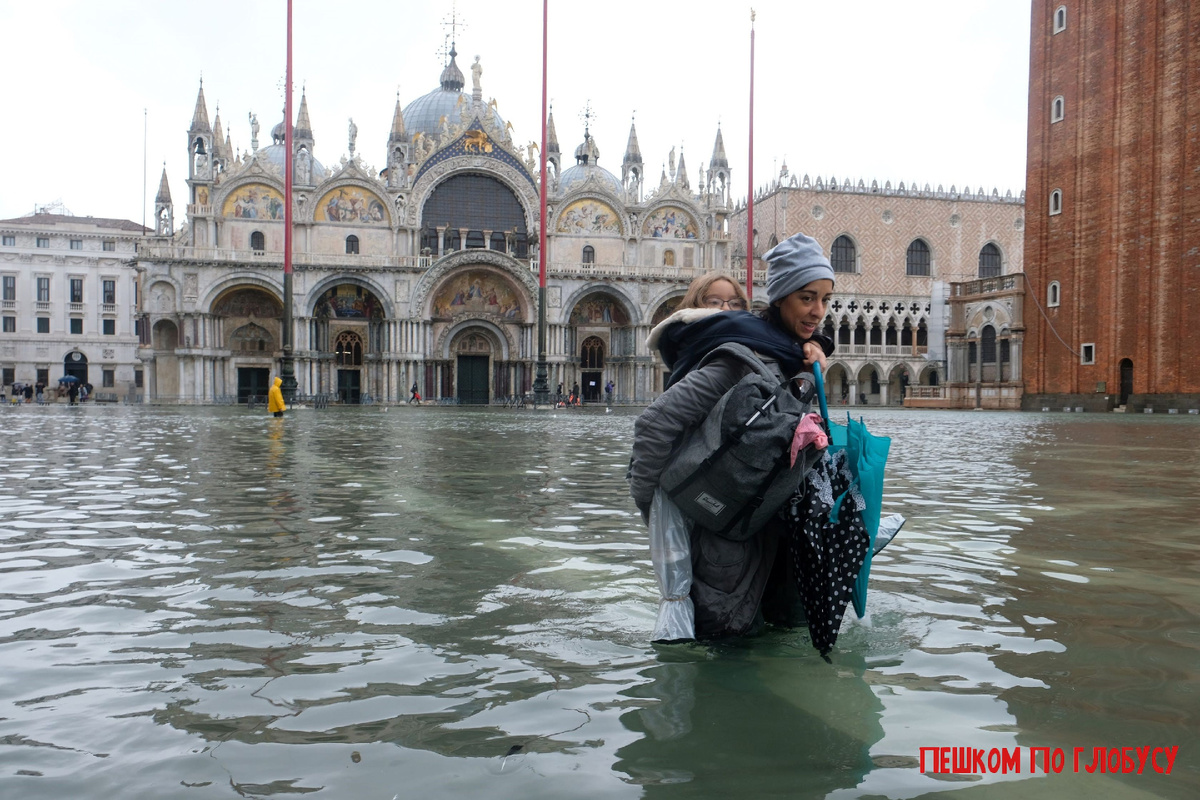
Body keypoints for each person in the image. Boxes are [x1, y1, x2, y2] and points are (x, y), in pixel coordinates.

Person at [629, 232, 835, 639]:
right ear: (779, 299)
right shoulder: (738, 360)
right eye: (807, 297)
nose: (818, 311)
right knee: (724, 656)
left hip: (774, 543)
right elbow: (654, 425)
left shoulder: (792, 356)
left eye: (825, 300)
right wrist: (652, 506)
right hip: (725, 554)